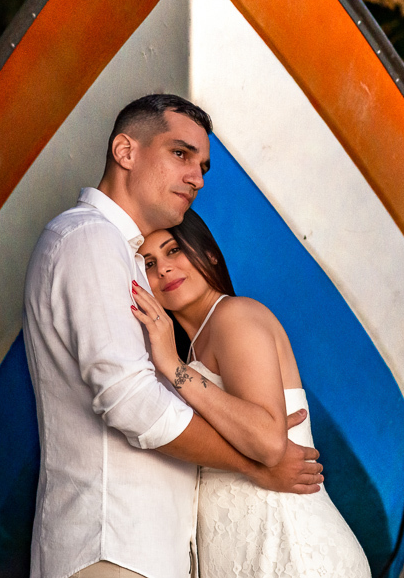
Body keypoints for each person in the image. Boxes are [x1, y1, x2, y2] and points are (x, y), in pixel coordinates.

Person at [22, 94, 324, 578]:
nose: (197, 178)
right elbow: (130, 401)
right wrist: (253, 464)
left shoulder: (122, 255)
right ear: (126, 152)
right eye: (180, 154)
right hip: (112, 544)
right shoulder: (90, 239)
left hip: (141, 548)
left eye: (202, 165)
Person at [131, 209, 371, 578]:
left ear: (209, 253)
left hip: (290, 552)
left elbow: (267, 441)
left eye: (174, 250)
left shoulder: (234, 316)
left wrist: (173, 367)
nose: (162, 269)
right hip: (250, 555)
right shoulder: (195, 347)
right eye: (148, 263)